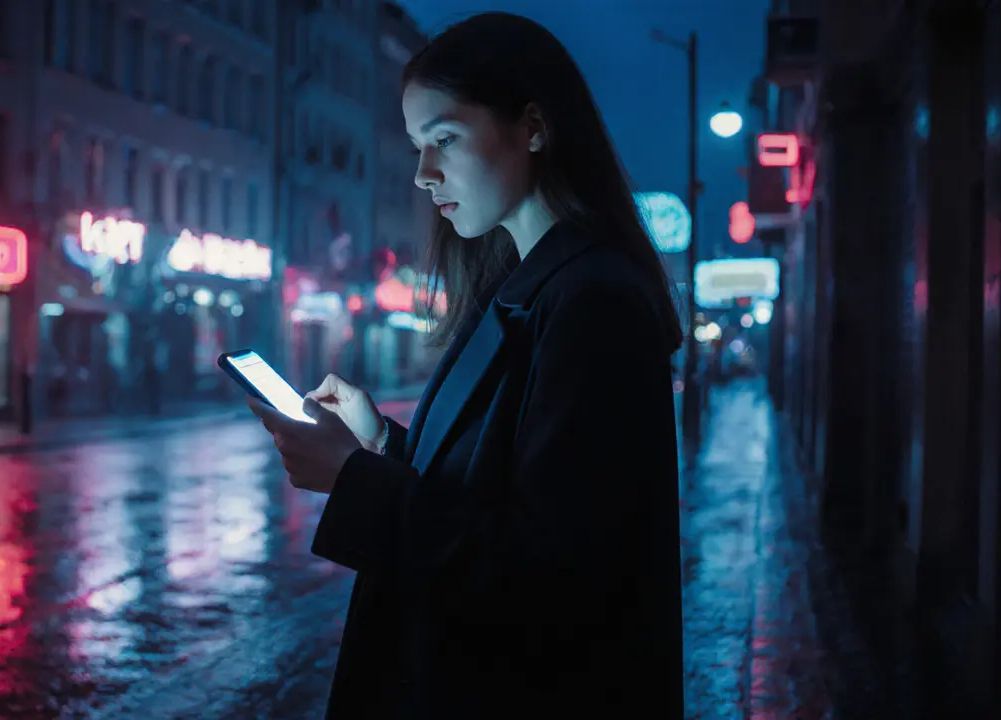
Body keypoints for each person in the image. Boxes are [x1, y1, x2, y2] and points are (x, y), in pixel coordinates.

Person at [248, 11, 684, 719]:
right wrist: (382, 443)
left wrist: (353, 480)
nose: (423, 174)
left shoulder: (590, 303)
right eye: (419, 145)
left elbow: (549, 576)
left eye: (444, 139)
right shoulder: (531, 284)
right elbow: (497, 488)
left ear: (534, 126)